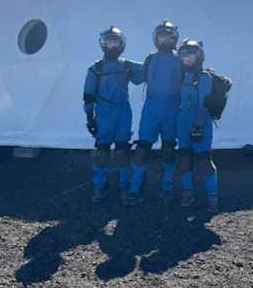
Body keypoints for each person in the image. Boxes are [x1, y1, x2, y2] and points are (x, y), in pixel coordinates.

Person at [83, 26, 144, 204]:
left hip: (123, 113)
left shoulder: (125, 65)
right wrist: (90, 118)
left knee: (122, 150)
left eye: (115, 41)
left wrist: (155, 58)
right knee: (102, 151)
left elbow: (141, 75)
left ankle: (124, 185)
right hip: (104, 113)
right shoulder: (96, 68)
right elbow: (88, 95)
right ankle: (99, 185)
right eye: (109, 41)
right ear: (103, 43)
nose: (112, 45)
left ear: (121, 43)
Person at [127, 20, 183, 205]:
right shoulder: (151, 58)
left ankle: (166, 187)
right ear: (156, 38)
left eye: (169, 37)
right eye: (161, 36)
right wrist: (123, 66)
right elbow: (138, 78)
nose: (165, 40)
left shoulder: (180, 59)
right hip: (152, 106)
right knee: (142, 147)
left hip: (172, 107)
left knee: (168, 148)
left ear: (174, 39)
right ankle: (135, 187)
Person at [176, 39, 220, 212]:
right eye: (183, 55)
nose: (186, 59)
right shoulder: (183, 75)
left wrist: (197, 127)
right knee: (185, 157)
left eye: (190, 55)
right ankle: (188, 190)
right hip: (183, 121)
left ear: (199, 56)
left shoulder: (203, 77)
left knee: (203, 160)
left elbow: (204, 104)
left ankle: (213, 195)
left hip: (199, 121)